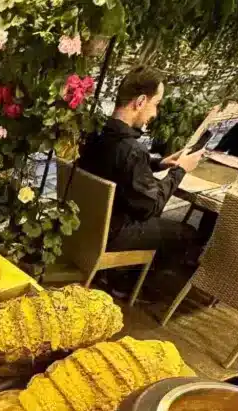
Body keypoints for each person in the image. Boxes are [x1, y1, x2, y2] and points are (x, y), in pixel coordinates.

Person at [78, 66, 205, 266]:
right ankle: (129, 285)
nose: (155, 113)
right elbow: (151, 207)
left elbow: (117, 165)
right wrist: (180, 170)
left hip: (85, 223)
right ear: (140, 101)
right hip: (112, 232)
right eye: (156, 104)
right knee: (187, 234)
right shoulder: (131, 149)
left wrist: (159, 163)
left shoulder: (97, 132)